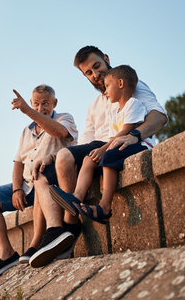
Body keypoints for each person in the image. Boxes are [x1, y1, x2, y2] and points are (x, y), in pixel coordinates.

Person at [28, 46, 167, 268]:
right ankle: (59, 231)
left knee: (70, 156)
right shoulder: (94, 106)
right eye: (88, 73)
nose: (95, 75)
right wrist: (50, 158)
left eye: (97, 66)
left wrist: (134, 135)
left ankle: (70, 227)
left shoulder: (131, 84)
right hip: (95, 146)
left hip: (117, 143)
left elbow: (159, 116)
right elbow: (83, 143)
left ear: (106, 59)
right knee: (48, 167)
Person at [0, 84, 78, 279]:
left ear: (54, 103)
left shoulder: (64, 118)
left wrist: (28, 111)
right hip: (26, 185)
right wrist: (17, 189)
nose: (41, 107)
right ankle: (7, 253)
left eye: (45, 103)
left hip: (49, 181)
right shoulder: (26, 131)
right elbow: (18, 163)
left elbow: (60, 133)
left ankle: (40, 241)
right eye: (36, 104)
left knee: (39, 177)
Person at [50, 65, 155, 223]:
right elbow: (113, 137)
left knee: (109, 156)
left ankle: (105, 207)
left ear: (120, 84)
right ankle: (76, 198)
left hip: (139, 145)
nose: (104, 91)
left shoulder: (133, 104)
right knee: (88, 159)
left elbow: (125, 132)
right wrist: (100, 149)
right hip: (119, 144)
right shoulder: (114, 110)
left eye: (107, 86)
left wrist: (103, 149)